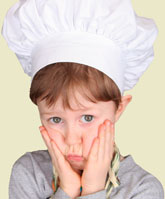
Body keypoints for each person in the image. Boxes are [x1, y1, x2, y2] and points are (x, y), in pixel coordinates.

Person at [1, 0, 164, 198]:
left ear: (119, 108)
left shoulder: (143, 189)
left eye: (87, 118)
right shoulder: (29, 173)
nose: (71, 139)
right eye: (56, 119)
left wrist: (92, 189)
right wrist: (66, 190)